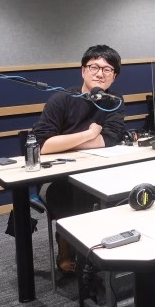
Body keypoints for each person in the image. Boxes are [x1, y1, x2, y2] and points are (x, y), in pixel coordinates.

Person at [33, 45, 125, 273]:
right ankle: (70, 246)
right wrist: (89, 134)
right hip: (56, 179)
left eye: (107, 69)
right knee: (76, 194)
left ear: (114, 76)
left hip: (97, 172)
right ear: (83, 71)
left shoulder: (114, 101)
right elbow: (43, 145)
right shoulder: (61, 99)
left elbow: (109, 139)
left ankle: (104, 249)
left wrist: (63, 142)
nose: (100, 73)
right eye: (94, 67)